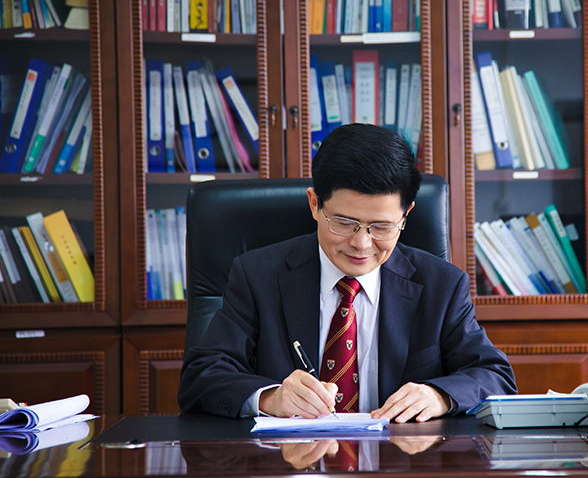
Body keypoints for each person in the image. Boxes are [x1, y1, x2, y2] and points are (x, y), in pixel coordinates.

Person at [178, 123, 516, 422]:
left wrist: (439, 395)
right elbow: (201, 378)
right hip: (290, 462)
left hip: (401, 461)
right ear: (315, 204)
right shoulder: (258, 276)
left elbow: (495, 376)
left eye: (381, 227)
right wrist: (271, 398)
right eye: (343, 222)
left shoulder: (441, 285)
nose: (361, 244)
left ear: (406, 216)